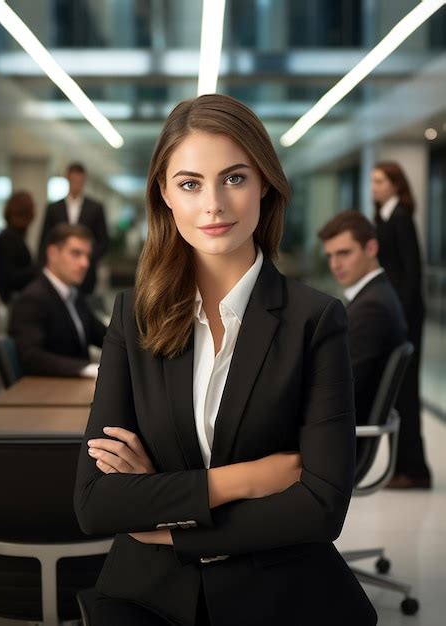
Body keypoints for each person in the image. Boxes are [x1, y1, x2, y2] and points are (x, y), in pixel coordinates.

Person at [74, 94, 377, 626]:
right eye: (190, 183)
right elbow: (97, 501)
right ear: (165, 195)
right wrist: (247, 481)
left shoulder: (317, 320)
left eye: (234, 178)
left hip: (280, 590)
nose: (212, 204)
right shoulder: (133, 316)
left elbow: (322, 505)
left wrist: (166, 518)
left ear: (265, 184)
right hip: (148, 594)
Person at [371, 162, 431, 489]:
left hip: (405, 318)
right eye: (372, 181)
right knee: (397, 393)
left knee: (405, 394)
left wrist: (400, 320)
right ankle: (402, 469)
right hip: (397, 314)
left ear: (396, 183)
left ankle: (414, 470)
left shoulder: (401, 218)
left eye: (380, 181)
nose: (374, 187)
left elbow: (412, 274)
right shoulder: (386, 216)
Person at [318, 210, 407, 426]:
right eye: (330, 256)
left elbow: (341, 391)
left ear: (371, 248)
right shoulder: (377, 295)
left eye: (344, 253)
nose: (335, 265)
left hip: (339, 439)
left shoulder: (372, 308)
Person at [9, 224, 106, 377]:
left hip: (75, 389)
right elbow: (31, 357)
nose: (85, 263)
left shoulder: (73, 294)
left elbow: (104, 336)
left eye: (87, 256)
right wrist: (87, 369)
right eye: (76, 253)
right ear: (52, 253)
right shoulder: (33, 298)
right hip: (49, 392)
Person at [38, 162, 109, 294]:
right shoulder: (54, 208)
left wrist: (86, 256)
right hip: (59, 270)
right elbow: (45, 240)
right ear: (68, 179)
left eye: (79, 181)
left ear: (84, 180)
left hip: (87, 274)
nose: (76, 184)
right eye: (73, 180)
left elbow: (104, 241)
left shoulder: (95, 208)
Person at [0, 190, 37, 304]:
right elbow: (8, 276)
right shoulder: (8, 238)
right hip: (12, 299)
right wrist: (37, 269)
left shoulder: (12, 236)